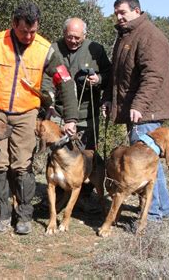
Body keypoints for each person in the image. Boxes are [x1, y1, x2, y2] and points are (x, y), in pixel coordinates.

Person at [0, 2, 79, 234]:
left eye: (33, 31)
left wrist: (70, 117)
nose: (29, 36)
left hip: (27, 113)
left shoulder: (45, 48)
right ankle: (2, 214)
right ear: (13, 24)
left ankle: (24, 216)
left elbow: (65, 80)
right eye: (23, 31)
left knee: (22, 164)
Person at [102, 0, 169, 222]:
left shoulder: (150, 35)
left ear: (137, 10)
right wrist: (108, 99)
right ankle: (163, 210)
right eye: (116, 13)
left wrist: (139, 105)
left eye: (122, 12)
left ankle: (152, 216)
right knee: (151, 164)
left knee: (144, 166)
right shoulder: (127, 35)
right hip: (137, 110)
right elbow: (117, 75)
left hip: (146, 112)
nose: (119, 17)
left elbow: (154, 76)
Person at [52, 18, 111, 210]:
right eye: (69, 37)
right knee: (60, 153)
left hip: (88, 112)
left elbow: (110, 74)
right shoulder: (54, 49)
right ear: (63, 34)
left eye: (77, 37)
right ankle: (59, 193)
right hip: (60, 111)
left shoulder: (96, 49)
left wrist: (99, 79)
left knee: (87, 154)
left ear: (84, 35)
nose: (73, 41)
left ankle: (84, 195)